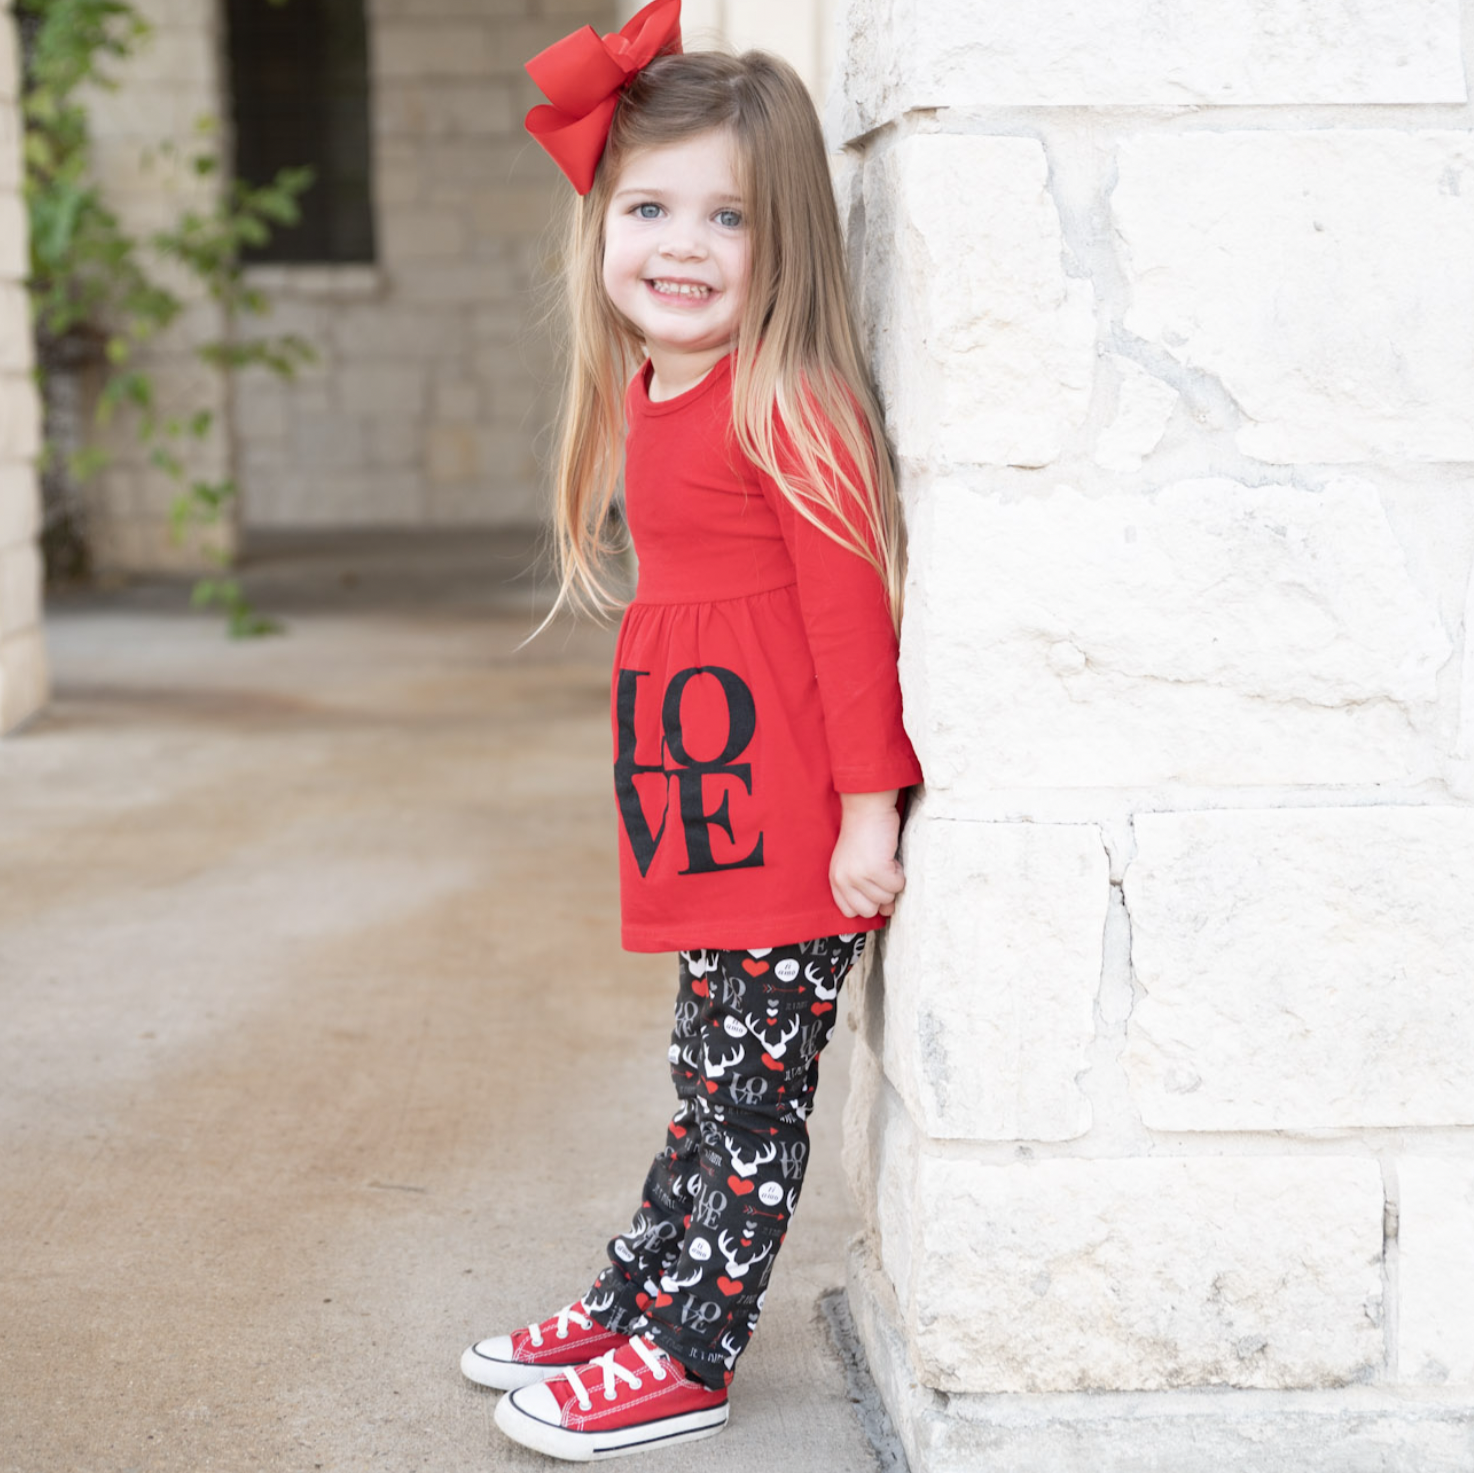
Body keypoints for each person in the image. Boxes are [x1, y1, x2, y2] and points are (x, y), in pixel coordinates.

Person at [460, 0, 922, 1460]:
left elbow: (849, 624)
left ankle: (692, 1351)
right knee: (703, 1077)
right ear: (598, 224)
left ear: (784, 243)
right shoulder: (662, 390)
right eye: (648, 205)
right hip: (706, 805)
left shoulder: (783, 405)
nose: (679, 243)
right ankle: (642, 1291)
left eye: (725, 217)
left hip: (786, 818)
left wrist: (865, 809)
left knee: (751, 1102)